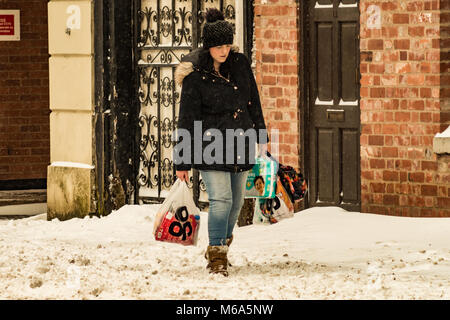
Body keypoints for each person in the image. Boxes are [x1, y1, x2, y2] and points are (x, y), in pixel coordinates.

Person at [173, 8, 268, 276]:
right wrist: (182, 161)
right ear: (208, 46)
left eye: (227, 45)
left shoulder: (239, 65)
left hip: (240, 141)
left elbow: (253, 102)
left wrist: (261, 135)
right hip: (210, 146)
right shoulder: (195, 77)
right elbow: (186, 120)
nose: (224, 51)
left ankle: (220, 245)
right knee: (221, 200)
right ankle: (217, 255)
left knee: (236, 203)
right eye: (218, 47)